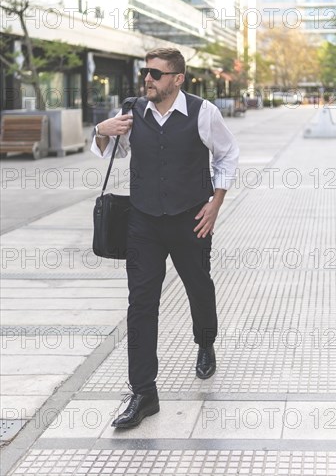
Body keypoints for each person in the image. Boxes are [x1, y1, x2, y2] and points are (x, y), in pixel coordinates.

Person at [91, 48, 239, 429]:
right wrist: (101, 132)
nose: (148, 79)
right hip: (142, 221)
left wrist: (216, 203)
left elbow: (227, 154)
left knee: (198, 287)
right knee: (140, 303)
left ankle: (205, 342)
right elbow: (116, 151)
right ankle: (143, 393)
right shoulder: (134, 109)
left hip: (190, 218)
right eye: (146, 72)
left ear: (178, 79)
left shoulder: (203, 112)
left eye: (157, 73)